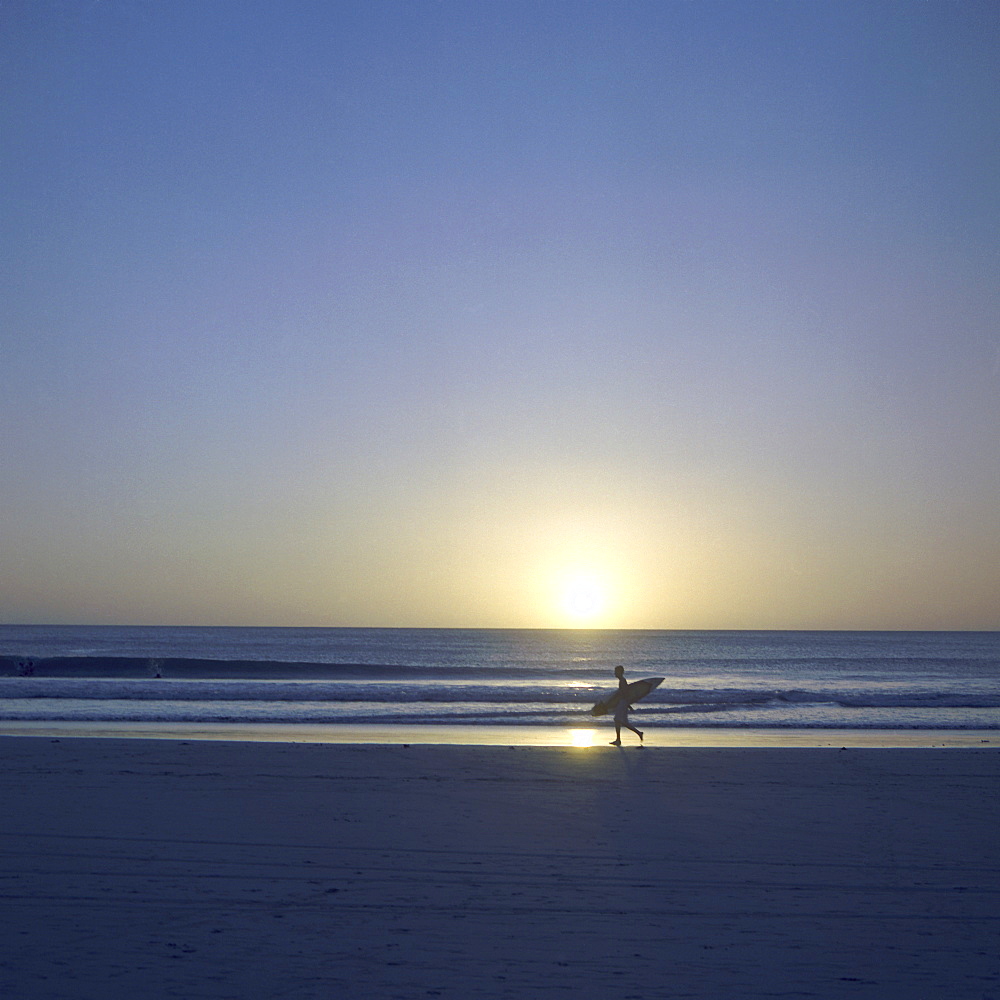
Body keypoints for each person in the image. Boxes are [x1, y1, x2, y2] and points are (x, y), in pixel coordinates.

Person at [610, 665, 643, 746]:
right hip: (623, 702)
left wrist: (627, 705)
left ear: (620, 672)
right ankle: (639, 733)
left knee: (617, 720)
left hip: (623, 703)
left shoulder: (622, 681)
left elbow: (625, 693)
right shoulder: (622, 680)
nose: (614, 673)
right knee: (623, 722)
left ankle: (618, 740)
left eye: (616, 672)